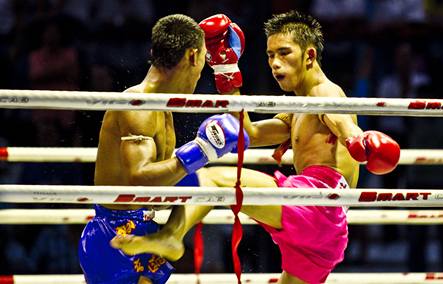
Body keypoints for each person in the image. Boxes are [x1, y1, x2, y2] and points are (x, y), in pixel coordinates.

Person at [111, 12, 400, 284]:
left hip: (317, 203)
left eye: (284, 53)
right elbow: (246, 133)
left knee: (214, 178)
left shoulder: (324, 92)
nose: (275, 63)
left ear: (309, 55)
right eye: (270, 55)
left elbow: (340, 121)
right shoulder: (299, 109)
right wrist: (226, 70)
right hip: (325, 227)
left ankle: (172, 236)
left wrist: (356, 139)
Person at [79, 14, 249, 284]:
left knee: (205, 180)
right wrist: (202, 150)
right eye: (205, 59)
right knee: (206, 176)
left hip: (141, 227)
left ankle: (170, 235)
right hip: (116, 235)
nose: (202, 68)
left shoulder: (161, 107)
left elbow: (162, 184)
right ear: (193, 56)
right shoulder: (139, 107)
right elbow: (139, 176)